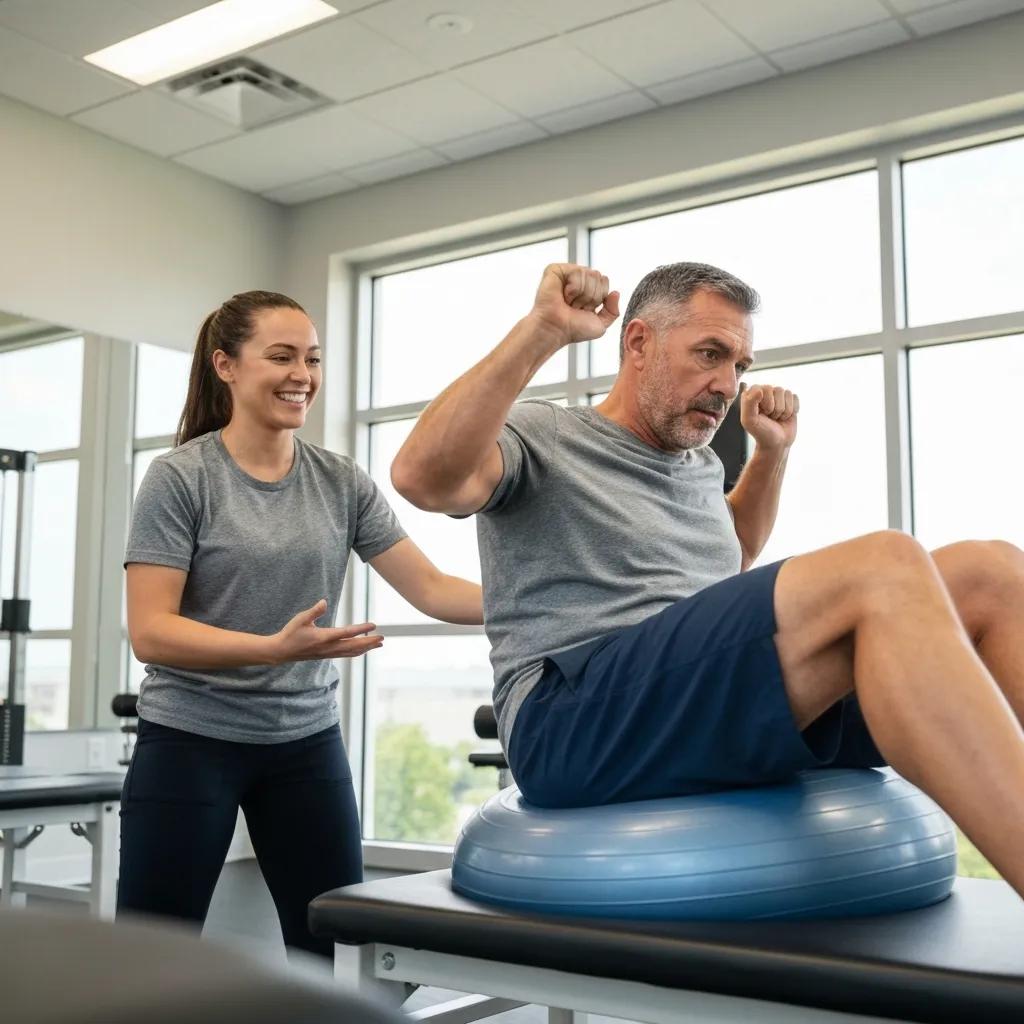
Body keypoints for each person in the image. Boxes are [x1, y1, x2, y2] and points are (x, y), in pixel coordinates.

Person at [391, 261, 1024, 901]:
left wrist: (772, 452)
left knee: (990, 571)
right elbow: (422, 479)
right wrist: (543, 330)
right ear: (638, 342)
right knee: (885, 564)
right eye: (710, 354)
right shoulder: (546, 434)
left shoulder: (699, 465)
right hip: (572, 715)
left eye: (740, 365)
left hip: (690, 698)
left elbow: (732, 552)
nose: (728, 385)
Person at [119, 290, 482, 957]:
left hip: (305, 741)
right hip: (190, 739)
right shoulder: (181, 478)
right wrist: (272, 649)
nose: (302, 375)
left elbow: (430, 587)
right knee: (154, 954)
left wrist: (540, 602)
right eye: (281, 356)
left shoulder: (340, 480)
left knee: (334, 952)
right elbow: (151, 631)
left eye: (312, 359)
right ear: (226, 366)